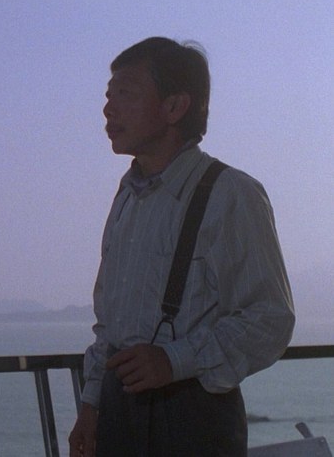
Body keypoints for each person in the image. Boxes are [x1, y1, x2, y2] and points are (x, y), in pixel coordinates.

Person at [68, 37, 295, 456]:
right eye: (108, 95)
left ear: (175, 107)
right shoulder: (127, 196)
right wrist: (91, 405)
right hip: (120, 412)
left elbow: (270, 318)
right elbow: (109, 326)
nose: (108, 108)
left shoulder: (230, 193)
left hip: (193, 417)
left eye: (125, 93)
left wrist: (175, 360)